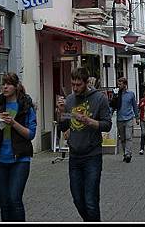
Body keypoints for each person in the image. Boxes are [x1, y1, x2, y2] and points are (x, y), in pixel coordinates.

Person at [56, 66, 112, 222]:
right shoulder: (70, 100)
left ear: (86, 83)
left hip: (92, 155)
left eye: (78, 85)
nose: (75, 88)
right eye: (72, 84)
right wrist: (61, 112)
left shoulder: (99, 98)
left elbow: (107, 124)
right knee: (77, 200)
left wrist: (88, 120)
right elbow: (64, 126)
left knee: (90, 200)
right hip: (74, 156)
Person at [0, 73, 36, 222]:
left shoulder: (25, 107)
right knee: (4, 202)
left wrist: (13, 123)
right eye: (3, 84)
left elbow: (30, 134)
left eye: (8, 84)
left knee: (15, 199)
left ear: (16, 87)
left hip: (20, 159)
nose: (5, 87)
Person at [110, 77, 139, 163]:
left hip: (129, 118)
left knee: (128, 137)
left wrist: (137, 117)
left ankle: (128, 154)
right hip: (119, 118)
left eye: (120, 84)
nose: (119, 86)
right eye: (118, 84)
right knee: (122, 138)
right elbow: (112, 105)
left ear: (125, 84)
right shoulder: (116, 94)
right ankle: (125, 153)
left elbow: (134, 106)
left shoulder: (131, 94)